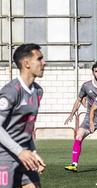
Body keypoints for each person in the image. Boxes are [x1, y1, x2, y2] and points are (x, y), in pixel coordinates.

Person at [0, 43, 46, 188]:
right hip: (4, 157)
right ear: (26, 63)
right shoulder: (11, 91)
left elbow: (27, 127)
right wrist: (20, 152)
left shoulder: (38, 91)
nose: (44, 63)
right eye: (39, 59)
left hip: (24, 154)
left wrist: (32, 152)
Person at [64, 63, 97, 172]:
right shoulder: (86, 86)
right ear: (93, 73)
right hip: (89, 118)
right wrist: (71, 114)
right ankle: (74, 164)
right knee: (78, 136)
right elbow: (79, 100)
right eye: (96, 71)